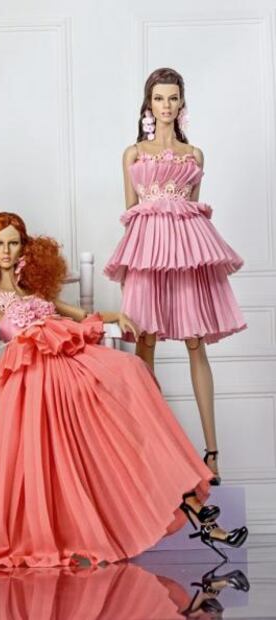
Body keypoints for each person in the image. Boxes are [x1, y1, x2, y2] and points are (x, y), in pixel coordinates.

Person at [0, 212, 247, 568]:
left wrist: (115, 316)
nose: (6, 251)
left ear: (25, 247)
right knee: (111, 402)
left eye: (13, 243)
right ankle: (191, 502)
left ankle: (187, 497)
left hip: (68, 358)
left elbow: (79, 315)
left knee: (132, 370)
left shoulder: (36, 292)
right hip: (34, 372)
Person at [104, 68, 246, 485]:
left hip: (186, 254)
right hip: (147, 255)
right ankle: (151, 450)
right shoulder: (133, 153)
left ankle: (212, 452)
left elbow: (193, 211)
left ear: (182, 103)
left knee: (195, 343)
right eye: (159, 98)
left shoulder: (194, 155)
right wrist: (131, 269)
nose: (165, 106)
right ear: (148, 105)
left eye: (172, 98)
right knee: (144, 343)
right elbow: (131, 213)